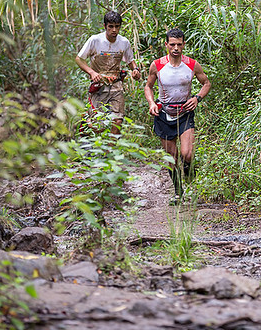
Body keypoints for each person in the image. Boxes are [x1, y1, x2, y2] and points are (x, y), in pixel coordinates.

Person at [144, 28, 211, 201]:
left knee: (187, 153)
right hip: (164, 114)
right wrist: (152, 103)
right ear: (166, 45)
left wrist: (197, 98)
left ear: (183, 45)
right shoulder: (157, 65)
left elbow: (206, 83)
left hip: (185, 113)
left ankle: (188, 171)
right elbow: (148, 86)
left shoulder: (191, 64)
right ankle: (177, 191)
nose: (175, 48)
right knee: (171, 158)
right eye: (172, 44)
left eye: (179, 45)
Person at [75, 11, 141, 134]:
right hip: (99, 86)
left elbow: (130, 61)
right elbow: (79, 59)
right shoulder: (95, 40)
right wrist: (92, 73)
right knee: (97, 125)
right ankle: (87, 122)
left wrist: (135, 70)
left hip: (116, 85)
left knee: (117, 121)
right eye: (111, 26)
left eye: (117, 26)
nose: (114, 30)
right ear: (105, 26)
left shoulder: (124, 42)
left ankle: (110, 151)